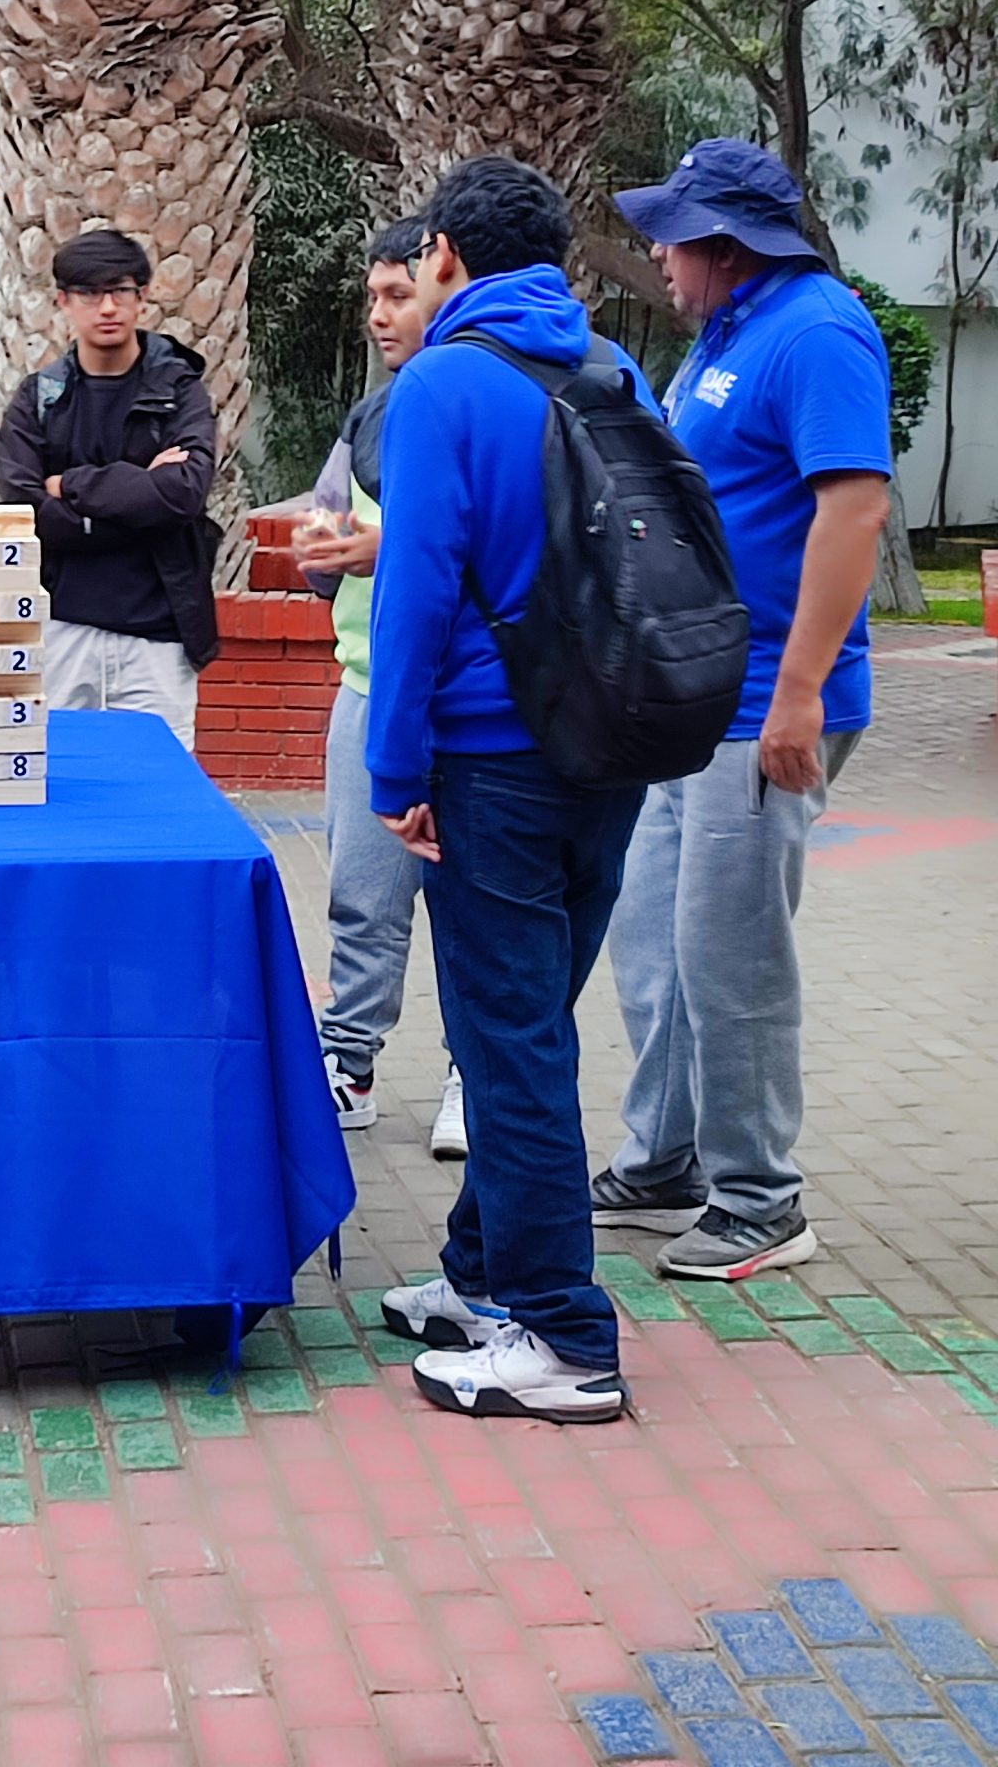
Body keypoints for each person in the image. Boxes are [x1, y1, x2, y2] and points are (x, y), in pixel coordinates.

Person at [368, 158, 658, 1425]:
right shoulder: (615, 371)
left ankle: (560, 1334)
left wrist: (394, 767)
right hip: (617, 740)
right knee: (527, 1023)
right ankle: (480, 1273)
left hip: (493, 756)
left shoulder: (442, 380)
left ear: (442, 256)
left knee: (512, 1041)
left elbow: (417, 588)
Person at [593, 139, 893, 1279]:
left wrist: (802, 694)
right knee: (660, 937)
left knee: (732, 954)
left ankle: (762, 1196)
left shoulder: (816, 333)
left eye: (673, 235)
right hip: (698, 699)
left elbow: (853, 512)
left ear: (727, 244)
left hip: (769, 707)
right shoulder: (729, 332)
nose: (658, 253)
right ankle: (665, 1156)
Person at [293, 219, 465, 1158]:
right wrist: (321, 548)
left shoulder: (495, 402)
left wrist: (384, 548)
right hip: (366, 691)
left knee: (475, 906)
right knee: (364, 896)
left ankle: (469, 1079)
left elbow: (513, 551)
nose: (377, 317)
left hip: (473, 707)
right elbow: (326, 540)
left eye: (396, 295)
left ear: (448, 279)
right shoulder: (368, 420)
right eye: (371, 300)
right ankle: (346, 1065)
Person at [0, 229, 218, 750]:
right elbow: (23, 507)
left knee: (158, 793)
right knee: (58, 785)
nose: (107, 307)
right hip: (60, 627)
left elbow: (184, 492)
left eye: (120, 290)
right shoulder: (39, 399)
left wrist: (70, 484)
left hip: (159, 636)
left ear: (143, 297)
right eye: (90, 293)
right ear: (64, 302)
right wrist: (139, 493)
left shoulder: (179, 390)